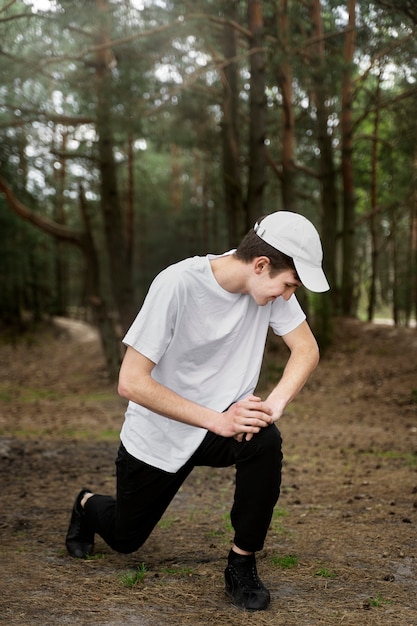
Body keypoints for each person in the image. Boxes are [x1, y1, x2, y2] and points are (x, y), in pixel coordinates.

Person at [65, 210, 329, 612]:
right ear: (261, 265)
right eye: (288, 285)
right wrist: (217, 419)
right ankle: (86, 504)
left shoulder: (267, 290)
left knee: (264, 440)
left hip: (222, 427)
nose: (288, 296)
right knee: (125, 538)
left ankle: (241, 564)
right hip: (161, 431)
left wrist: (270, 408)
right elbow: (131, 382)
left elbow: (307, 350)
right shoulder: (178, 284)